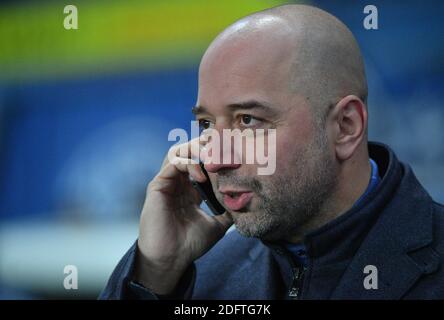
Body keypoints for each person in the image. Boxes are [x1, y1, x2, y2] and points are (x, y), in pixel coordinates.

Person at [99, 4, 444, 299]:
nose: (216, 160)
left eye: (248, 121)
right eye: (206, 125)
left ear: (345, 127)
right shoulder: (203, 275)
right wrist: (155, 274)